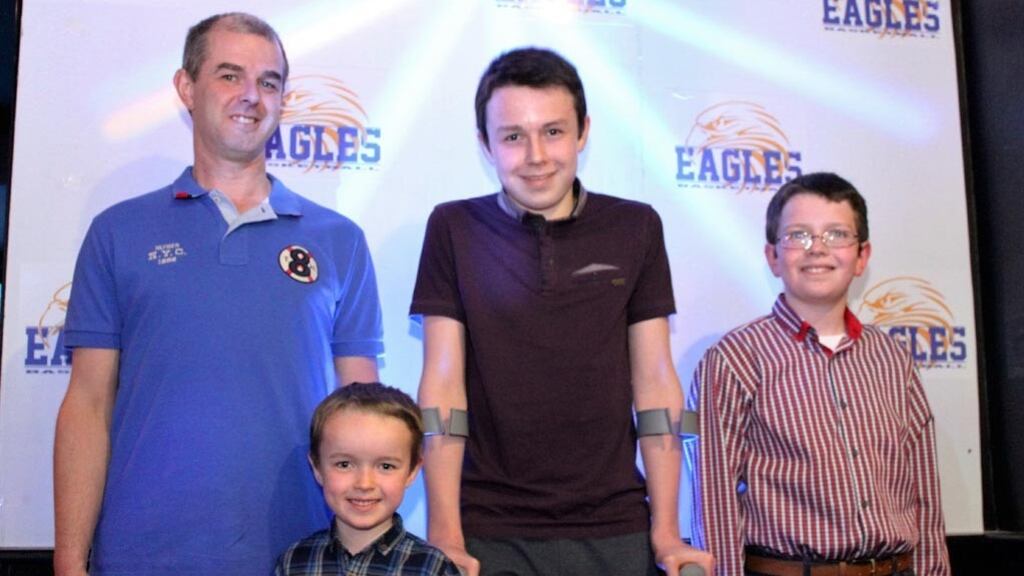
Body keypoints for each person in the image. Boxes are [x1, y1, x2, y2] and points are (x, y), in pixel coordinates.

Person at [53, 12, 383, 576]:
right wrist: (67, 559)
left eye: (269, 82)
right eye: (230, 76)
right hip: (141, 555)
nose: (251, 96)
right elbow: (86, 405)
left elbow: (365, 413)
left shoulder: (340, 240)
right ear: (187, 87)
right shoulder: (118, 232)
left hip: (300, 557)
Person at [410, 47, 713, 576]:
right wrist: (445, 534)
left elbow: (657, 383)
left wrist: (665, 532)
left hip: (615, 527)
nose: (536, 155)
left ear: (583, 132)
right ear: (485, 144)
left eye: (553, 132)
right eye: (512, 136)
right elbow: (441, 387)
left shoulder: (636, 226)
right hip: (489, 529)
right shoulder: (453, 228)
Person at [688, 172, 950, 576]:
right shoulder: (734, 359)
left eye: (836, 234)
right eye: (797, 236)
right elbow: (715, 497)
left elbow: (924, 490)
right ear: (773, 256)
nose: (817, 250)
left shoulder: (893, 360)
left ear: (861, 257)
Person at [275, 382, 461, 575]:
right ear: (317, 468)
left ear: (412, 471)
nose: (364, 484)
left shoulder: (432, 567)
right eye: (344, 464)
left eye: (385, 466)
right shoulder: (293, 562)